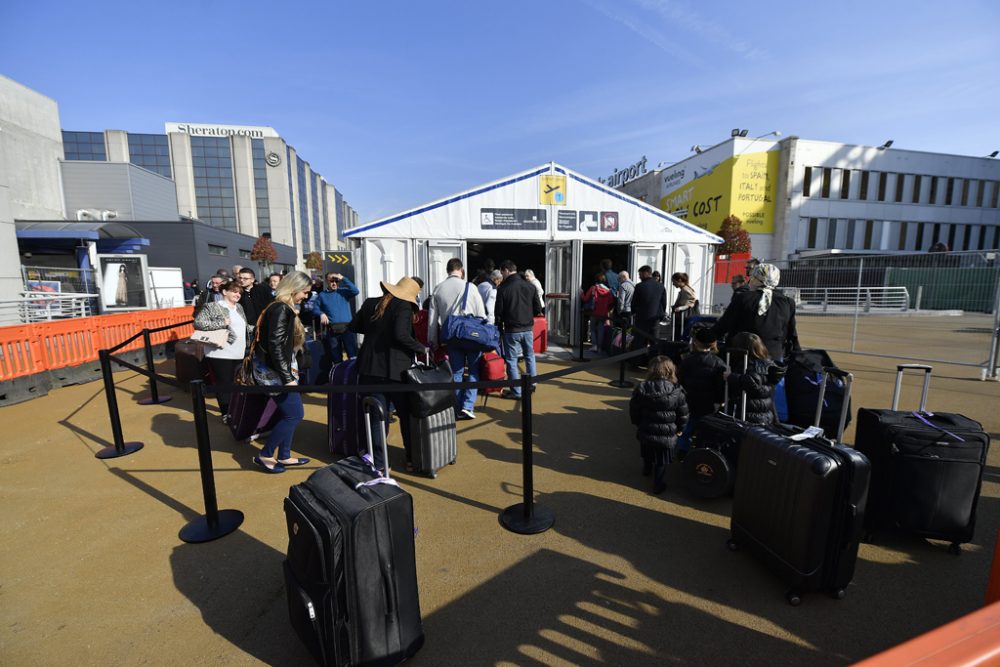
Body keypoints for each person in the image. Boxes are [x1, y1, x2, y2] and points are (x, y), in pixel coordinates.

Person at [350, 276, 426, 470]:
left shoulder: (369, 304)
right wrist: (421, 348)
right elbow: (401, 335)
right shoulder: (403, 307)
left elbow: (355, 326)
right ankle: (411, 459)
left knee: (377, 417)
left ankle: (380, 462)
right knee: (406, 415)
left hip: (369, 368)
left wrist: (375, 330)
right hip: (397, 372)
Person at [252, 271, 314, 473]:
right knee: (294, 415)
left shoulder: (281, 306)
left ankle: (284, 456)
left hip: (277, 369)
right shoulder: (281, 309)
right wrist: (287, 378)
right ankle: (266, 454)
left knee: (288, 413)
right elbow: (276, 346)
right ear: (294, 288)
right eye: (305, 292)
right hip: (277, 372)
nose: (306, 296)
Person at [428, 258, 486, 420]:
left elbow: (433, 320)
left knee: (457, 372)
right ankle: (468, 406)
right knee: (474, 370)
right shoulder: (471, 287)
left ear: (448, 270)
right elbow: (481, 314)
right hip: (472, 336)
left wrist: (432, 341)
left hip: (452, 336)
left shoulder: (438, 289)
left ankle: (456, 406)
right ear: (460, 270)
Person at [712, 263, 800, 362]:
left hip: (743, 354)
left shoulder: (743, 298)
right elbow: (791, 332)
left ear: (756, 278)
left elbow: (724, 324)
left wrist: (708, 337)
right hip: (773, 355)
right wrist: (797, 353)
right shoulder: (788, 302)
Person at [629, 355, 689, 495]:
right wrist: (681, 428)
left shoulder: (642, 388)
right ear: (671, 370)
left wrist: (638, 423)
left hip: (647, 427)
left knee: (647, 449)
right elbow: (683, 413)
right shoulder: (677, 390)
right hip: (667, 432)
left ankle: (646, 469)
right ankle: (658, 484)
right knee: (662, 460)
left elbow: (634, 409)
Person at [193, 279, 247, 420]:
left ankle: (234, 411)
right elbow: (198, 323)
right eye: (234, 291)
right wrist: (221, 323)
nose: (238, 294)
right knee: (224, 384)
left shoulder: (239, 307)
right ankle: (226, 413)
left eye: (239, 292)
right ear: (224, 292)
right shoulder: (212, 306)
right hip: (220, 352)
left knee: (236, 383)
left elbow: (243, 327)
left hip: (238, 352)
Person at [494, 259, 543, 400]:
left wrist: (499, 326)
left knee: (511, 360)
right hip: (528, 328)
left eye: (502, 272)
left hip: (511, 329)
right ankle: (531, 384)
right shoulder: (530, 286)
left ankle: (516, 391)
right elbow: (538, 308)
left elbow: (498, 312)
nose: (501, 275)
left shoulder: (503, 288)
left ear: (506, 270)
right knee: (529, 356)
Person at [676, 326, 728, 457]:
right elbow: (721, 386)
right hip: (709, 405)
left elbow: (679, 381)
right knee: (705, 431)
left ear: (696, 342)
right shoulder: (719, 363)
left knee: (686, 430)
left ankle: (682, 451)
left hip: (689, 402)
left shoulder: (687, 360)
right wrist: (721, 400)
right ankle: (700, 453)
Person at [724, 332, 777, 425]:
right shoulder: (767, 363)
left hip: (749, 416)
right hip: (762, 414)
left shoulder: (750, 365)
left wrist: (731, 377)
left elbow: (753, 384)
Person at [317, 271, 360, 366]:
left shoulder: (343, 292)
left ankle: (353, 376)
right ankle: (339, 377)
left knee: (352, 355)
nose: (334, 283)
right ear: (326, 281)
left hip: (347, 328)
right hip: (332, 330)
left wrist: (343, 278)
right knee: (336, 357)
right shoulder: (322, 295)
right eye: (331, 281)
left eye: (336, 281)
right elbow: (315, 308)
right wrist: (321, 313)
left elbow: (355, 291)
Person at [631, 265, 667, 345]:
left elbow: (634, 303)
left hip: (641, 318)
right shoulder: (661, 286)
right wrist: (661, 315)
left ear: (646, 273)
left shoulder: (639, 286)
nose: (639, 277)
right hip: (655, 318)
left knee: (640, 342)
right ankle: (653, 357)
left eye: (640, 274)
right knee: (654, 342)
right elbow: (663, 303)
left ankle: (640, 357)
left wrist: (633, 312)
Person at [581, 273, 615, 353]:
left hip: (594, 312)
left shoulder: (593, 288)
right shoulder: (608, 291)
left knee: (592, 329)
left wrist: (581, 293)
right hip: (603, 313)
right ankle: (599, 348)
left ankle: (594, 346)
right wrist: (606, 310)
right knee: (601, 329)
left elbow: (585, 299)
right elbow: (611, 302)